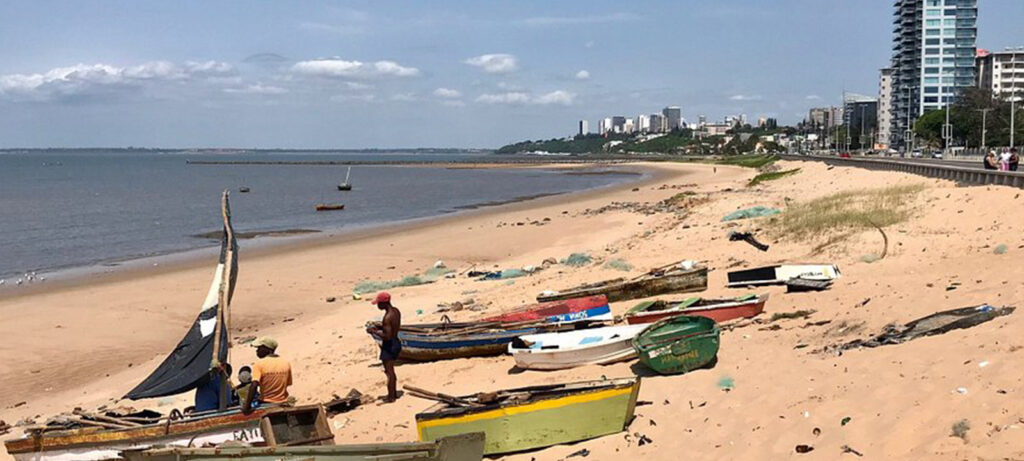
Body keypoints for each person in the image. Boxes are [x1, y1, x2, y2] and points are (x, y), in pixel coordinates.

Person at [366, 292, 401, 403]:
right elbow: (392, 327)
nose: (377, 306)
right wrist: (381, 327)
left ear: (383, 303)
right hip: (396, 342)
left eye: (378, 303)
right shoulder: (396, 311)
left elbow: (387, 336)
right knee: (391, 371)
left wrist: (374, 331)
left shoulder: (387, 317)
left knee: (389, 372)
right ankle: (393, 393)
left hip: (390, 345)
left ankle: (391, 397)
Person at [242, 337, 293, 413]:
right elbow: (288, 383)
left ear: (268, 349)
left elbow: (254, 385)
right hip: (283, 401)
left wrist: (247, 406)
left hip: (266, 402)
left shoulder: (259, 364)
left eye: (259, 348)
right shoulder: (286, 363)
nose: (257, 351)